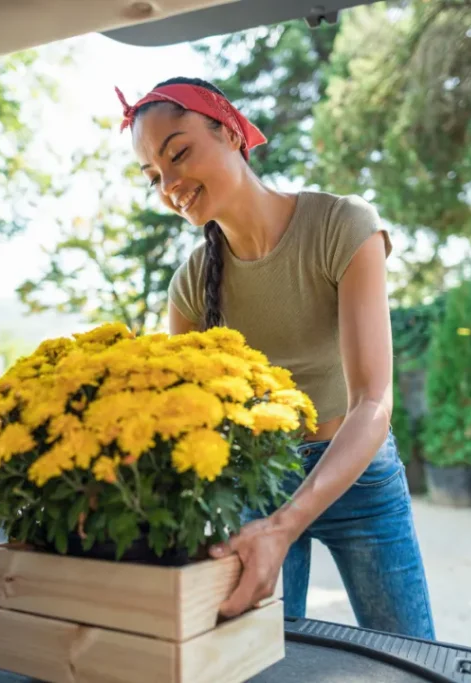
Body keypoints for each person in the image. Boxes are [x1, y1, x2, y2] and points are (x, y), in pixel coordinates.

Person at [115, 77, 435, 640]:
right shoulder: (190, 286)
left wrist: (286, 525)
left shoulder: (342, 225)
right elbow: (187, 423)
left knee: (411, 657)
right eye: (153, 176)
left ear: (232, 133)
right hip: (255, 485)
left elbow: (372, 401)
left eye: (179, 152)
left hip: (358, 474)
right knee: (259, 660)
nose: (170, 185)